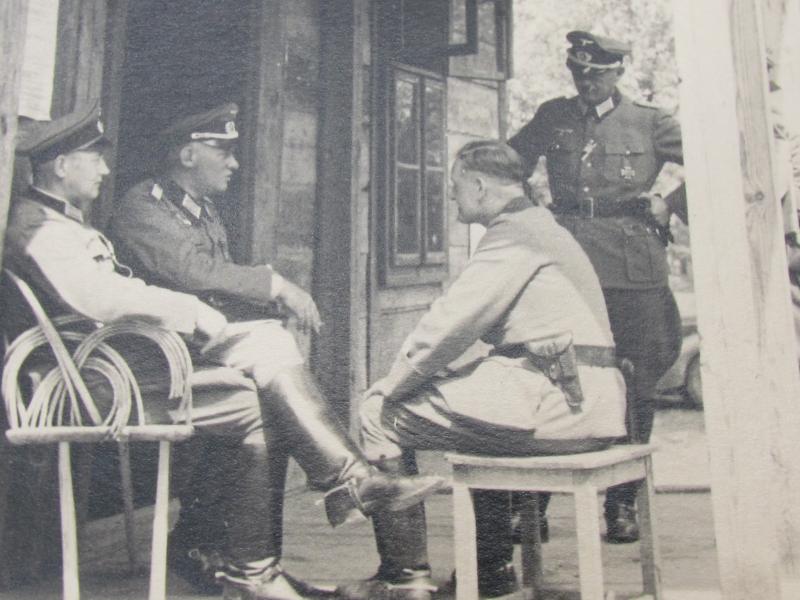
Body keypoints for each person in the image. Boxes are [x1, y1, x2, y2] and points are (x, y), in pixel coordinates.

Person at [4, 101, 444, 600]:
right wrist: (193, 313)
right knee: (264, 365)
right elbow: (103, 298)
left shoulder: (63, 222)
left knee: (260, 385)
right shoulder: (36, 224)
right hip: (95, 378)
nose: (106, 167)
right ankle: (298, 530)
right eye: (95, 157)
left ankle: (269, 555)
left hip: (127, 363)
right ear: (62, 165)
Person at [337, 140, 627, 599]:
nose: (452, 196)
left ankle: (403, 577)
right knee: (480, 414)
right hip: (584, 400)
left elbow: (450, 325)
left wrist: (390, 388)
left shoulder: (514, 235)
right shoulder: (537, 225)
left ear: (478, 185)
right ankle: (488, 572)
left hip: (557, 402)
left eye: (455, 187)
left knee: (378, 413)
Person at [507, 30, 685, 544]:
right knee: (546, 370)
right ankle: (531, 505)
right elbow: (504, 165)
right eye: (578, 72)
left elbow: (717, 159)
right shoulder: (552, 116)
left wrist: (669, 204)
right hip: (564, 262)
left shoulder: (652, 122)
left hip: (631, 270)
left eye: (597, 73)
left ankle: (622, 503)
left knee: (636, 380)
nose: (586, 81)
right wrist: (526, 213)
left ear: (618, 72)